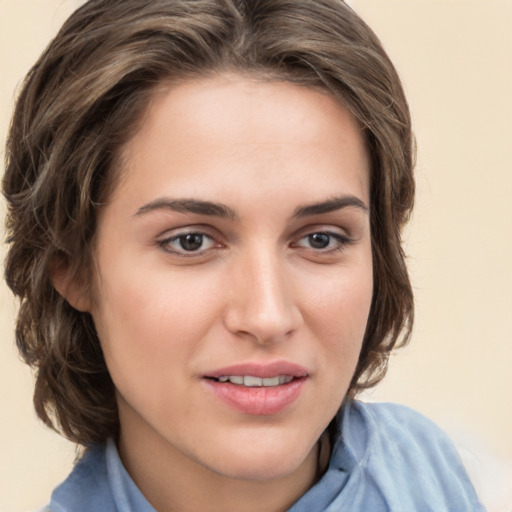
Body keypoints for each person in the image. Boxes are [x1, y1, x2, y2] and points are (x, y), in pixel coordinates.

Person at [2, 0, 485, 510]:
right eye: (190, 241)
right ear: (71, 265)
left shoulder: (425, 468)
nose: (267, 316)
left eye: (321, 239)